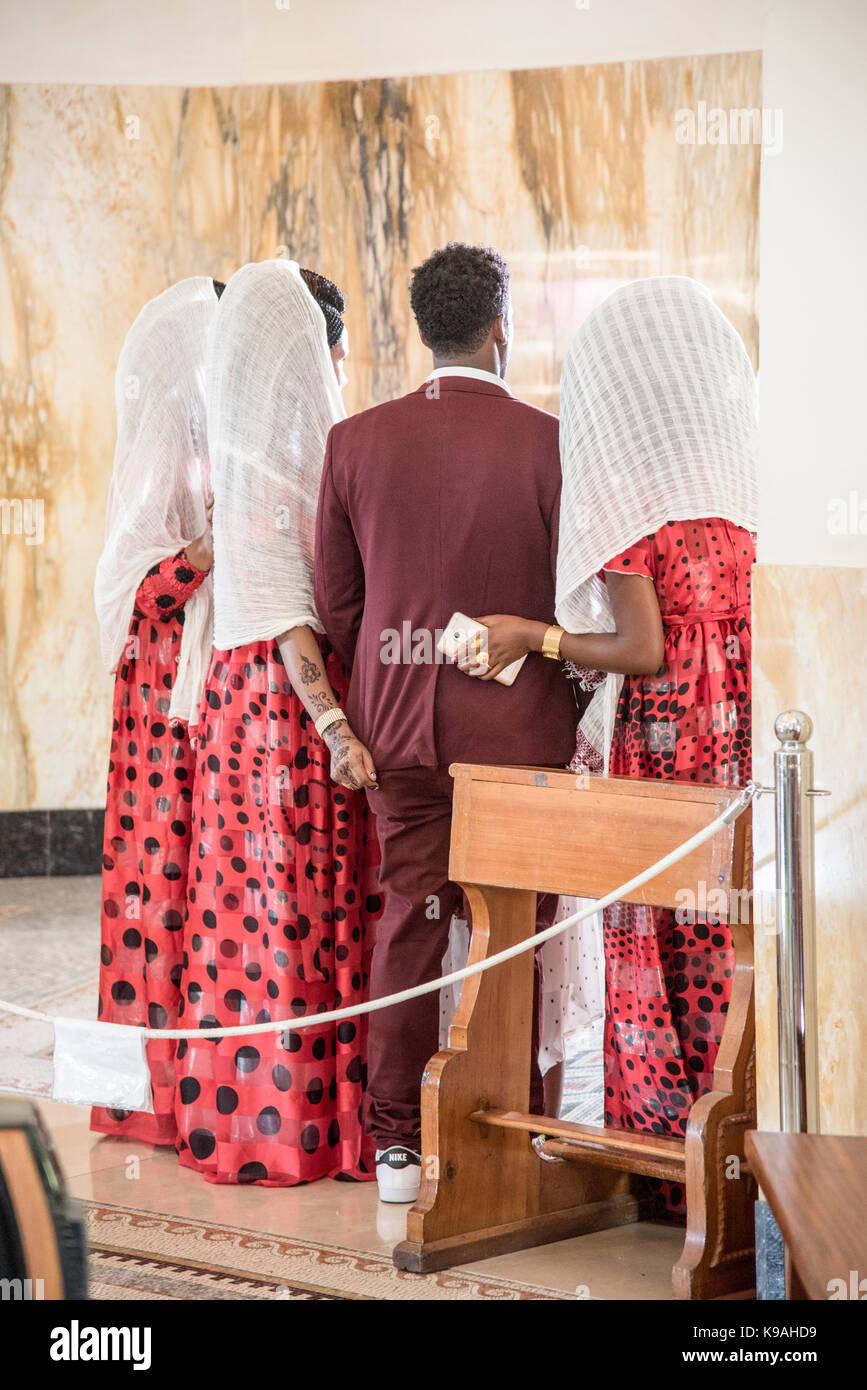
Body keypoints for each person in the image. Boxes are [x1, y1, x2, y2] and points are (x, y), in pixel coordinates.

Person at [457, 275, 758, 1216]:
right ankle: (744, 1156)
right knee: (732, 936)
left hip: (667, 740)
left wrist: (529, 635)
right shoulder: (740, 492)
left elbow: (641, 649)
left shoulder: (636, 497)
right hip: (741, 730)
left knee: (658, 937)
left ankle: (668, 1168)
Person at [314, 242, 579, 1203]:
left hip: (396, 731)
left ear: (421, 332)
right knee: (514, 929)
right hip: (517, 740)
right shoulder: (554, 441)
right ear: (500, 326)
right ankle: (511, 1121)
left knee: (408, 922)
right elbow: (576, 605)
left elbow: (340, 609)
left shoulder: (356, 442)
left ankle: (394, 1145)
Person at [174, 258, 382, 1187]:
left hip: (233, 715)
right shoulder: (295, 466)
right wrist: (338, 728)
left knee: (248, 911)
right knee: (303, 908)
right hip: (293, 718)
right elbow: (297, 621)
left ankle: (251, 1123)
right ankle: (314, 1128)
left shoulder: (238, 459)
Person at [91, 276, 223, 1145]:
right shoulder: (157, 463)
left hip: (214, 700)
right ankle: (144, 1098)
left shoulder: (225, 453)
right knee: (152, 889)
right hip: (155, 710)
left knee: (206, 890)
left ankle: (205, 1088)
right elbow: (134, 589)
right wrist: (206, 550)